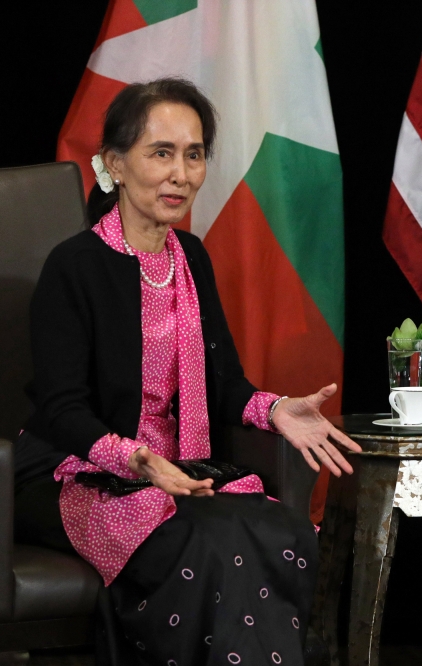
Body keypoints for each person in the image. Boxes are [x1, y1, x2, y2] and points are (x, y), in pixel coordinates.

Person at [13, 78, 362, 666]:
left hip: (182, 470)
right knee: (199, 541)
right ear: (114, 165)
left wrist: (276, 410)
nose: (181, 173)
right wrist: (136, 459)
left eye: (194, 154)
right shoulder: (74, 265)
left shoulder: (191, 257)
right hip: (76, 471)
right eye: (161, 153)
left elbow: (224, 385)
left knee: (279, 532)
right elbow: (60, 408)